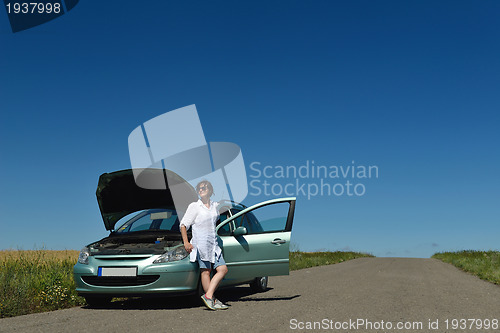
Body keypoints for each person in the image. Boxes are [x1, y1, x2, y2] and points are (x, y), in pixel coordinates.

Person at [180, 180, 229, 310]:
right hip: (201, 244)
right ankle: (211, 299)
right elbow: (184, 225)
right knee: (206, 271)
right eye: (199, 188)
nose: (201, 190)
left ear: (210, 190)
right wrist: (186, 242)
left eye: (204, 187)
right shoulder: (194, 206)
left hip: (213, 244)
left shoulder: (215, 206)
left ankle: (208, 296)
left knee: (223, 269)